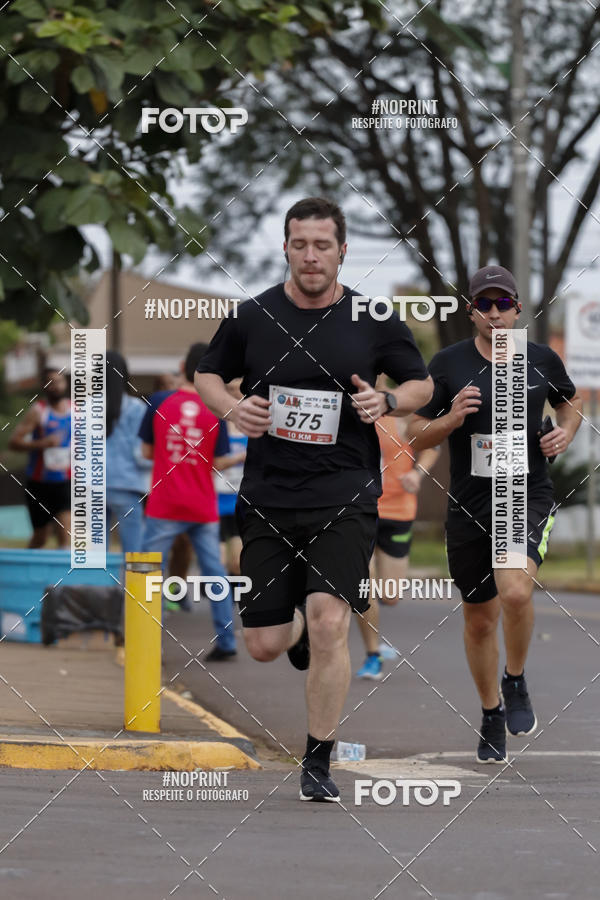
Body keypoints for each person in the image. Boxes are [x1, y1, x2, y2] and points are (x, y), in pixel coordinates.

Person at [195, 196, 432, 801]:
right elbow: (205, 374)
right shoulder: (252, 317)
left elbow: (421, 382)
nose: (310, 256)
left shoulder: (372, 318)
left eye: (322, 245)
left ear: (342, 250)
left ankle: (317, 759)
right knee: (265, 645)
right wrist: (232, 407)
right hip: (269, 495)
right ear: (285, 247)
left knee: (331, 621)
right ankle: (290, 631)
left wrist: (390, 403)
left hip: (345, 492)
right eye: (299, 244)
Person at [407, 265, 582, 763]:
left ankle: (516, 677)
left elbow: (571, 404)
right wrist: (451, 417)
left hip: (525, 493)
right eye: (484, 304)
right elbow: (413, 433)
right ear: (471, 313)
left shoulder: (540, 358)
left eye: (503, 303)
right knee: (480, 620)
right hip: (469, 505)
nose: (494, 313)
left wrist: (564, 432)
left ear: (517, 310)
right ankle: (490, 712)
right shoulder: (447, 364)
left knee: (516, 589)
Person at [139, 343, 238, 661]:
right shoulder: (216, 410)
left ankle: (147, 639)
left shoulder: (157, 401)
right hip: (202, 505)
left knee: (150, 570)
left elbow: (145, 453)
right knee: (214, 572)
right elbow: (217, 463)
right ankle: (226, 643)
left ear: (182, 365)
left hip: (165, 504)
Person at [356, 378, 440, 680]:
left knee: (390, 594)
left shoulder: (400, 409)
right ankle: (372, 653)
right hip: (359, 510)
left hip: (398, 510)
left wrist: (418, 474)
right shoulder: (348, 405)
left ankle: (373, 630)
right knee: (363, 585)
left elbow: (431, 446)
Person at [9, 368, 71, 548]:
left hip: (66, 481)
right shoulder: (38, 411)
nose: (55, 386)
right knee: (40, 536)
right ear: (45, 386)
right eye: (50, 382)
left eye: (59, 382)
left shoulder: (76, 411)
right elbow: (14, 442)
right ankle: (27, 572)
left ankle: (63, 574)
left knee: (65, 530)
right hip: (39, 483)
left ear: (65, 384)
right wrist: (41, 444)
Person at [105, 351, 152, 553]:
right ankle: (137, 586)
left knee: (93, 556)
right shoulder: (137, 408)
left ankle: (95, 586)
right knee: (135, 553)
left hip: (91, 487)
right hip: (127, 485)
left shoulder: (86, 407)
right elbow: (140, 455)